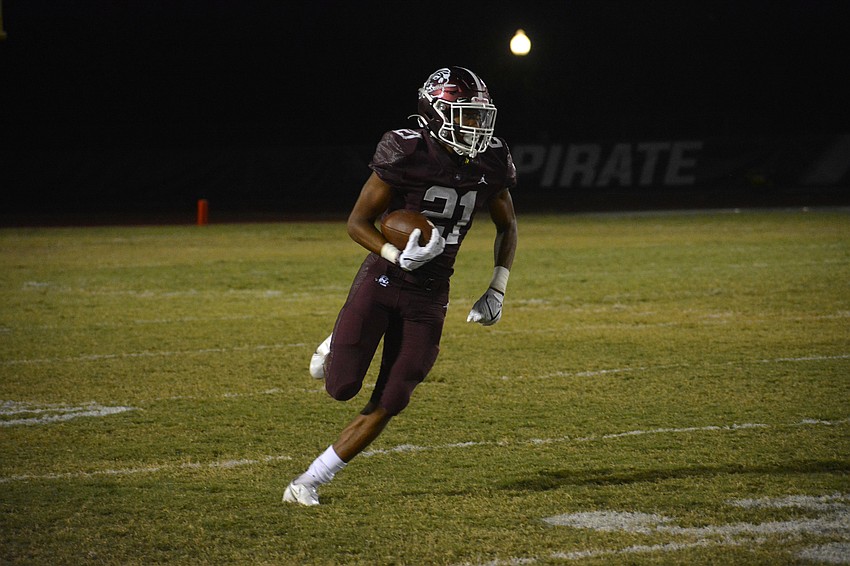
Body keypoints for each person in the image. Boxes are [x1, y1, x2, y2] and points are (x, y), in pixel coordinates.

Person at [283, 66, 518, 506]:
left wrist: (497, 287)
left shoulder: (491, 158)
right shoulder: (407, 149)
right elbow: (358, 222)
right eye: (465, 115)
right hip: (384, 277)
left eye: (479, 116)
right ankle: (335, 342)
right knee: (341, 388)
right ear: (436, 113)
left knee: (395, 395)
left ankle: (308, 481)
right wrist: (395, 254)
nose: (476, 127)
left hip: (431, 294)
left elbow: (508, 226)